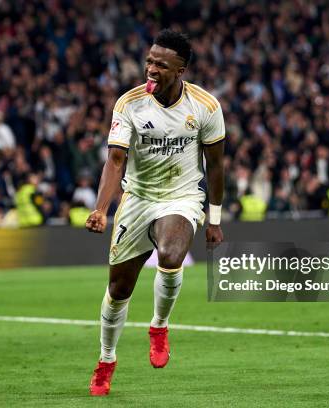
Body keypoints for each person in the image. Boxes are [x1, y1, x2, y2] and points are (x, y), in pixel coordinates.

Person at [85, 30, 225, 396]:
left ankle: (159, 326)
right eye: (149, 61)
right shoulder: (129, 103)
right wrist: (101, 209)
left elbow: (216, 165)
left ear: (181, 70)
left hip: (182, 196)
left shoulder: (205, 107)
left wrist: (214, 219)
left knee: (171, 253)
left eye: (161, 65)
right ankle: (106, 360)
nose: (151, 69)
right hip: (138, 198)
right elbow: (116, 160)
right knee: (118, 290)